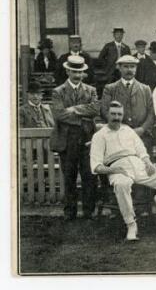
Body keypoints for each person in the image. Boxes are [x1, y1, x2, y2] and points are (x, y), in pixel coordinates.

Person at [90, 101, 156, 241]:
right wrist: (114, 169)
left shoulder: (128, 130)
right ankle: (131, 225)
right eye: (113, 114)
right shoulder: (100, 136)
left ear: (123, 115)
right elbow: (96, 166)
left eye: (119, 114)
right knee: (122, 184)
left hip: (138, 165)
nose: (116, 117)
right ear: (107, 114)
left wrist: (148, 162)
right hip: (117, 168)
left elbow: (141, 150)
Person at [49, 55, 99, 221]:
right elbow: (59, 114)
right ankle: (69, 212)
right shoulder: (58, 92)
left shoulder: (90, 90)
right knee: (69, 175)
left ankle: (88, 211)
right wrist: (82, 116)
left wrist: (74, 109)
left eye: (80, 72)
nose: (77, 75)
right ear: (68, 71)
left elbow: (95, 110)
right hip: (67, 139)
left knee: (89, 175)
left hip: (87, 138)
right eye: (74, 71)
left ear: (84, 72)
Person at [100, 55, 155, 154]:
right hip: (117, 135)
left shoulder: (145, 89)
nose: (129, 69)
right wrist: (119, 128)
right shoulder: (110, 89)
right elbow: (105, 111)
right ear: (119, 68)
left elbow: (151, 113)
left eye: (132, 66)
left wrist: (142, 129)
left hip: (141, 136)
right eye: (126, 66)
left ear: (136, 68)